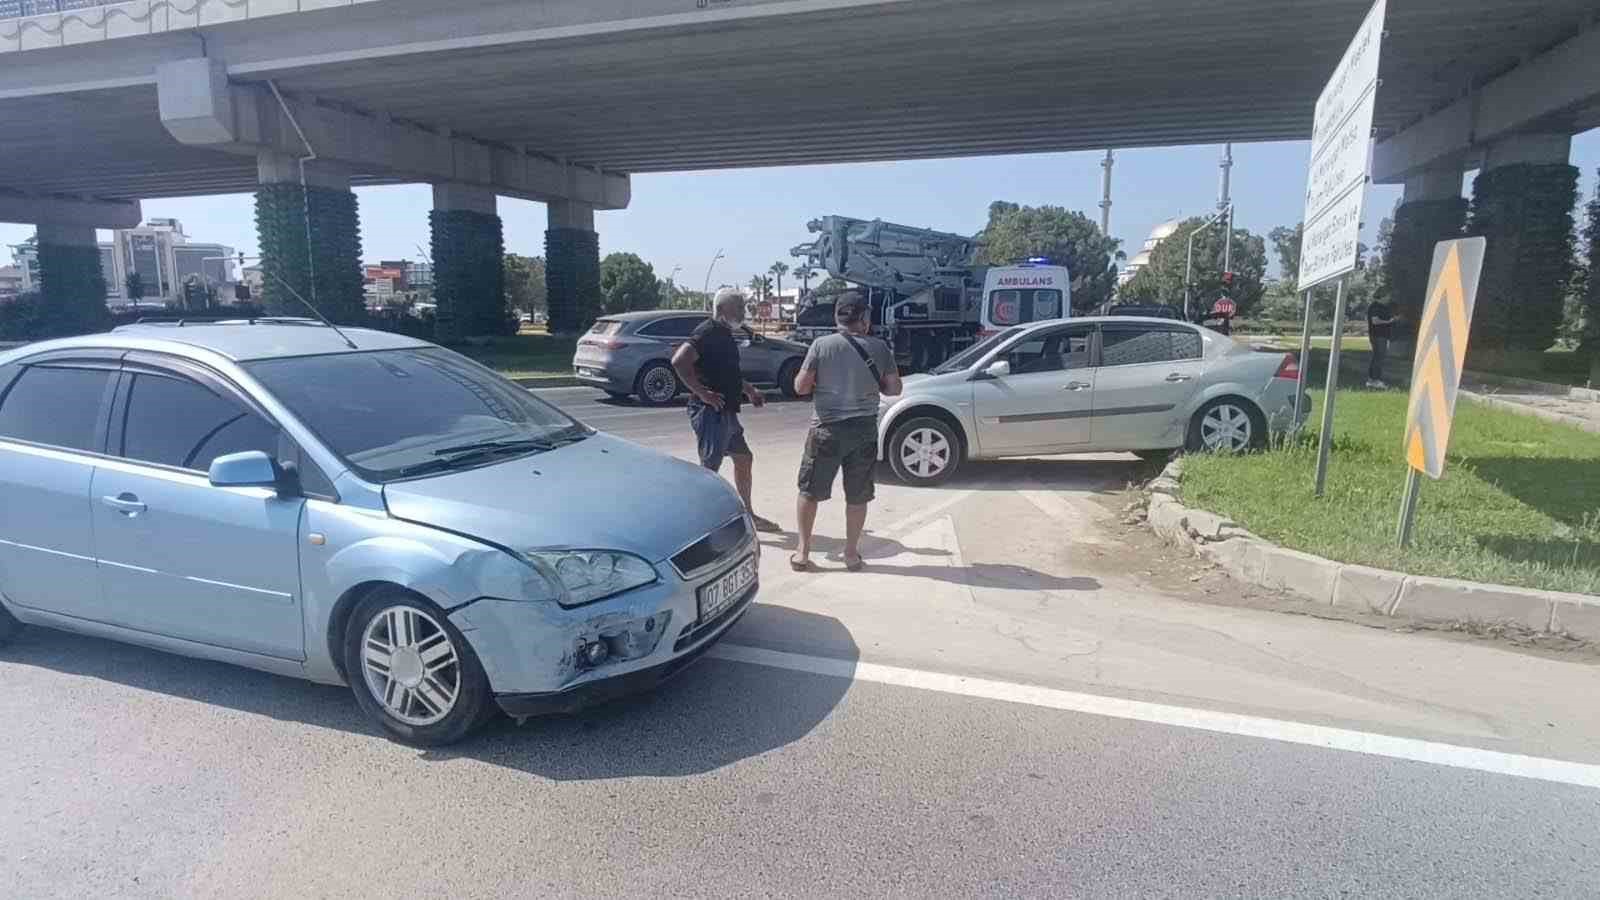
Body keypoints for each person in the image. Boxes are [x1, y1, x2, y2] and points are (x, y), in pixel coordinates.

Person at [790, 293, 902, 571]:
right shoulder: (879, 347)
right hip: (863, 431)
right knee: (858, 495)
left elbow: (800, 387)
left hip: (826, 430)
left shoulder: (821, 345)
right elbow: (894, 388)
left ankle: (803, 552)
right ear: (863, 318)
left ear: (837, 317)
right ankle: (851, 554)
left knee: (809, 491)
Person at [671, 288, 782, 533]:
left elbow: (726, 371)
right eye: (739, 308)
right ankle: (699, 524)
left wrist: (750, 390)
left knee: (744, 458)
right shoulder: (707, 332)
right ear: (722, 310)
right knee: (709, 470)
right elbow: (679, 361)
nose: (743, 312)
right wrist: (703, 393)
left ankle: (748, 514)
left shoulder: (725, 333)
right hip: (711, 413)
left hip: (727, 413)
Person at [1367, 297, 1397, 388]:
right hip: (1378, 336)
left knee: (1377, 357)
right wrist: (1389, 321)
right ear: (1383, 296)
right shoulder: (1375, 307)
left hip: (1380, 336)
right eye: (1387, 296)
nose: (1388, 299)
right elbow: (1375, 321)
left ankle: (1372, 380)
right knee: (1379, 358)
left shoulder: (1380, 307)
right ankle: (1375, 380)